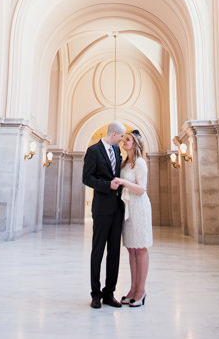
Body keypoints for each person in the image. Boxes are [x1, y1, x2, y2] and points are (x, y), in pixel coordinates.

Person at [82, 121, 126, 308]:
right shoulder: (93, 151)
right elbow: (87, 178)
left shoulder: (117, 152)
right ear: (114, 134)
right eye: (122, 136)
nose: (123, 140)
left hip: (117, 209)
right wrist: (106, 185)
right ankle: (95, 294)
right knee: (98, 251)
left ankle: (109, 293)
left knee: (114, 252)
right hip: (101, 209)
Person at [114, 129, 152, 307]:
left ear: (135, 144)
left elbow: (141, 189)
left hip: (139, 208)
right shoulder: (124, 163)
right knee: (131, 249)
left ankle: (141, 290)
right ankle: (132, 288)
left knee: (141, 248)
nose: (124, 141)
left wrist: (123, 182)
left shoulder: (140, 163)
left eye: (127, 139)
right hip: (128, 208)